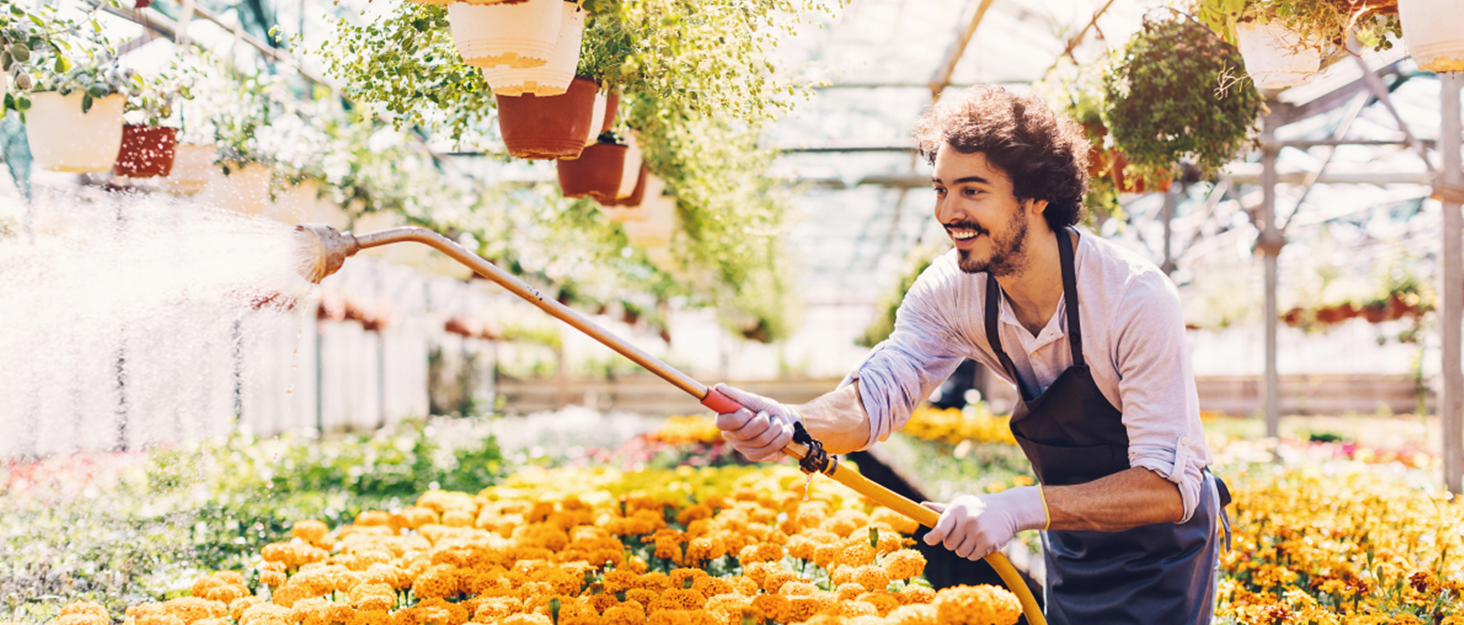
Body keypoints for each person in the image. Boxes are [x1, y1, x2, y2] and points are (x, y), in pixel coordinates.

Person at [712, 85, 1228, 624]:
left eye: (972, 191)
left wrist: (1020, 507)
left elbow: (1168, 488)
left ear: (1036, 196)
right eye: (940, 189)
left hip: (1165, 548)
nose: (948, 212)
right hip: (1071, 537)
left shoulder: (1130, 297)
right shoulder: (950, 291)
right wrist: (792, 423)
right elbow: (876, 397)